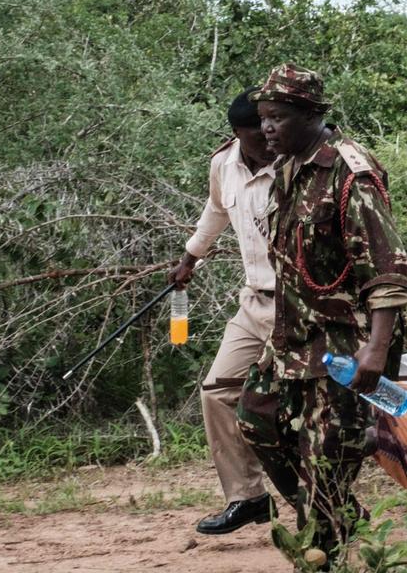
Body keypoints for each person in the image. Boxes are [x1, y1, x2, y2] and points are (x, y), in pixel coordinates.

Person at [236, 63, 407, 565]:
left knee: (327, 461)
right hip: (293, 336)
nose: (267, 128)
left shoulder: (349, 172)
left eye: (277, 117)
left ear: (311, 114)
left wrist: (377, 350)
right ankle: (331, 510)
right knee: (255, 419)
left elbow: (387, 268)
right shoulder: (290, 167)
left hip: (343, 343)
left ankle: (324, 538)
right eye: (263, 117)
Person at [168, 88, 277, 535]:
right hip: (255, 302)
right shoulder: (223, 164)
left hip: (302, 306)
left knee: (286, 405)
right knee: (217, 391)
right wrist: (189, 258)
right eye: (259, 129)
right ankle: (247, 497)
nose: (270, 135)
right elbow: (215, 210)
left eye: (274, 123)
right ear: (238, 133)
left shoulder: (297, 165)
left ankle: (328, 502)